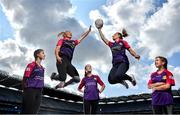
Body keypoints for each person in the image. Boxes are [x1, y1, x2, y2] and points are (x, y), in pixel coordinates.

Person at [22, 49, 45, 114]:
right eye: (42, 53)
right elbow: (25, 78)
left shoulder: (42, 68)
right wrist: (25, 90)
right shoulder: (31, 65)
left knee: (35, 112)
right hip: (30, 90)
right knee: (27, 111)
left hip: (39, 91)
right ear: (38, 54)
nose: (44, 55)